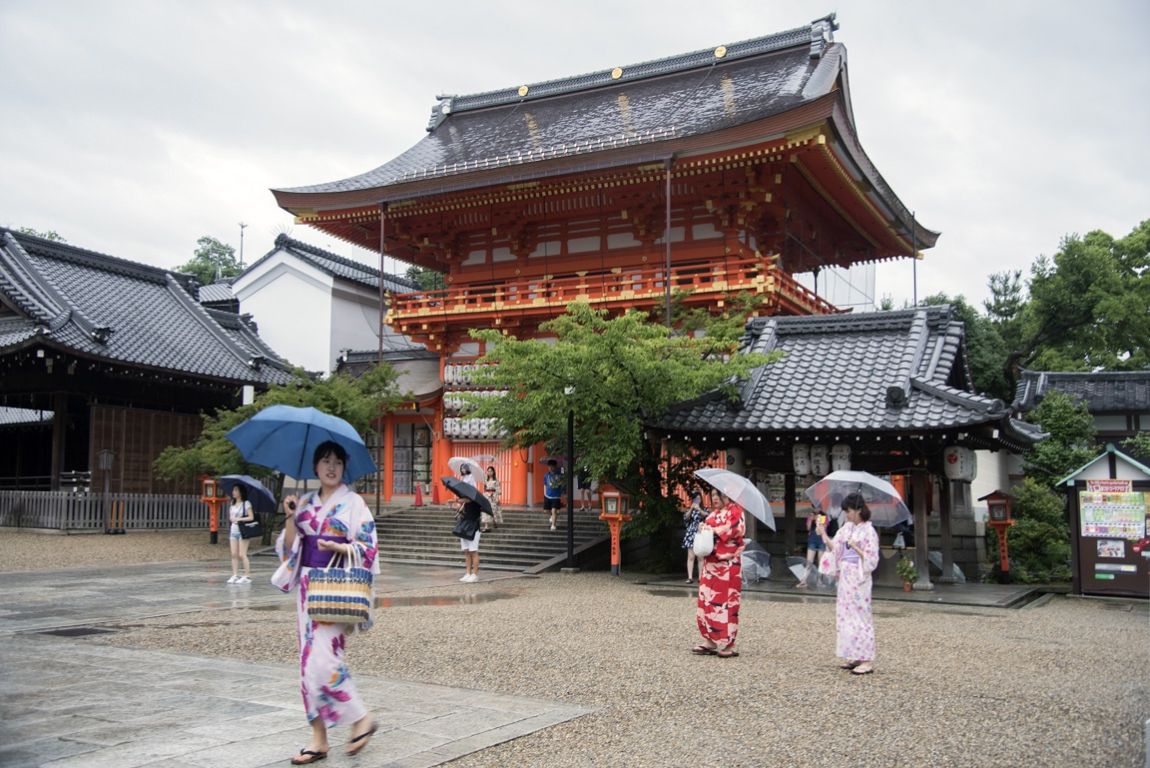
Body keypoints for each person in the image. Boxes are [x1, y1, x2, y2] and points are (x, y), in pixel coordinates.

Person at [271, 441, 379, 764]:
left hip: (337, 586)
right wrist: (291, 518)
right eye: (325, 461)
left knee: (326, 659)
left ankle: (361, 717)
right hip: (308, 587)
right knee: (306, 665)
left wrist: (343, 548)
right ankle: (319, 738)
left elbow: (369, 546)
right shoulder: (303, 504)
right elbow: (288, 548)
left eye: (337, 462)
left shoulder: (354, 503)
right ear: (316, 467)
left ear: (344, 468)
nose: (332, 467)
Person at [819, 491, 879, 676]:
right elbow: (836, 549)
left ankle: (866, 659)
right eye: (846, 511)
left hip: (859, 577)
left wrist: (857, 548)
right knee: (846, 615)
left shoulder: (869, 530)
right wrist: (823, 534)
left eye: (850, 511)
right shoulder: (846, 528)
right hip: (846, 577)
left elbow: (871, 559)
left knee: (861, 616)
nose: (847, 514)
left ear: (859, 510)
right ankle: (854, 654)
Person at [692, 490, 746, 658]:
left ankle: (730, 643)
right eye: (713, 495)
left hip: (728, 564)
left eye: (718, 495)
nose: (715, 498)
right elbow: (707, 527)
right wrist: (703, 527)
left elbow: (734, 529)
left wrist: (713, 529)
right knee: (707, 601)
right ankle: (710, 640)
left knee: (727, 603)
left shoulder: (736, 511)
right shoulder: (713, 514)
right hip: (711, 564)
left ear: (727, 496)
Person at [796, 503, 837, 588]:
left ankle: (820, 581)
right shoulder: (811, 516)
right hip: (812, 541)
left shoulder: (823, 517)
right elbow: (808, 528)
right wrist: (811, 520)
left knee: (821, 563)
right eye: (814, 507)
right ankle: (804, 580)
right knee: (809, 562)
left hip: (821, 541)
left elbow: (823, 528)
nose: (816, 509)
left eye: (817, 507)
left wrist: (818, 520)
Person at [227, 484, 254, 584]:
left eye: (236, 490)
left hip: (243, 530)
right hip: (233, 530)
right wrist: (232, 519)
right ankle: (234, 574)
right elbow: (231, 517)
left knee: (242, 554)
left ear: (241, 492)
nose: (233, 492)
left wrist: (239, 519)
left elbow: (251, 517)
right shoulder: (232, 504)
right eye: (233, 490)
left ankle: (247, 576)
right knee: (234, 554)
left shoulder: (246, 503)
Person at [680, 490, 707, 583]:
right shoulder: (690, 510)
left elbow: (707, 516)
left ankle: (700, 577)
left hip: (700, 533)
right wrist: (691, 509)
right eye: (695, 499)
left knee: (700, 556)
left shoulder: (704, 509)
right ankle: (690, 577)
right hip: (691, 534)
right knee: (691, 556)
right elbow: (685, 518)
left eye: (699, 498)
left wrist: (699, 509)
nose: (697, 500)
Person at [457, 498, 483, 582]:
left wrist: (462, 502)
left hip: (473, 529)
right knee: (466, 551)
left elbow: (474, 515)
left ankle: (474, 574)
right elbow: (461, 515)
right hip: (464, 528)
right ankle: (468, 573)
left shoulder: (476, 502)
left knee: (473, 551)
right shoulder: (464, 504)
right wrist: (457, 506)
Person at [543, 459, 563, 531]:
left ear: (555, 466)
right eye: (549, 466)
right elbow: (545, 484)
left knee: (554, 511)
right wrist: (544, 493)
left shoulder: (559, 474)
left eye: (552, 466)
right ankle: (552, 516)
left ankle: (553, 525)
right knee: (546, 510)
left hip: (556, 496)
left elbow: (562, 484)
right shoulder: (546, 475)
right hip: (548, 495)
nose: (550, 468)